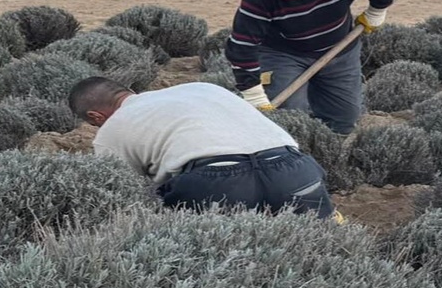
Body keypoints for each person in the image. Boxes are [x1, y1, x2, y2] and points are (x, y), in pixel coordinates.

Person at [69, 77, 336, 218]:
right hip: (295, 169)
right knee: (320, 244)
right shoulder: (204, 87)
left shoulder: (112, 128)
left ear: (95, 117)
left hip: (216, 184)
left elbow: (124, 193)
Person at [226, 0, 399, 134]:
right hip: (283, 53)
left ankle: (328, 153)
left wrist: (376, 10)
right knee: (285, 116)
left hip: (340, 49)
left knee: (344, 117)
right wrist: (254, 94)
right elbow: (242, 44)